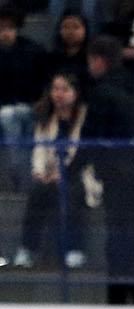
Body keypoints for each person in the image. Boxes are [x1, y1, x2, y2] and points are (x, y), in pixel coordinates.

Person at [83, 32, 134, 303]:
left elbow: (90, 139)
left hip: (119, 178)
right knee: (127, 236)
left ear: (99, 61)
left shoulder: (103, 92)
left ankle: (124, 300)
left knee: (120, 240)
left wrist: (70, 171)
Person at [1, 70, 87, 270]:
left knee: (69, 193)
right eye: (56, 89)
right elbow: (40, 148)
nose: (59, 94)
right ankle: (27, 249)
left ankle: (73, 249)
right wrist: (39, 171)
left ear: (75, 92)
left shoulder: (84, 116)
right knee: (38, 192)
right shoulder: (47, 116)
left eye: (65, 89)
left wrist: (63, 173)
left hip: (79, 174)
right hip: (50, 173)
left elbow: (81, 152)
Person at [1, 6, 50, 190]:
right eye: (1, 28)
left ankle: (24, 171)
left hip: (31, 107)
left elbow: (47, 80)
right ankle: (17, 167)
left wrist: (43, 101)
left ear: (17, 28)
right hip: (4, 110)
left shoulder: (33, 50)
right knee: (8, 116)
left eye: (9, 28)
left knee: (29, 125)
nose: (5, 32)